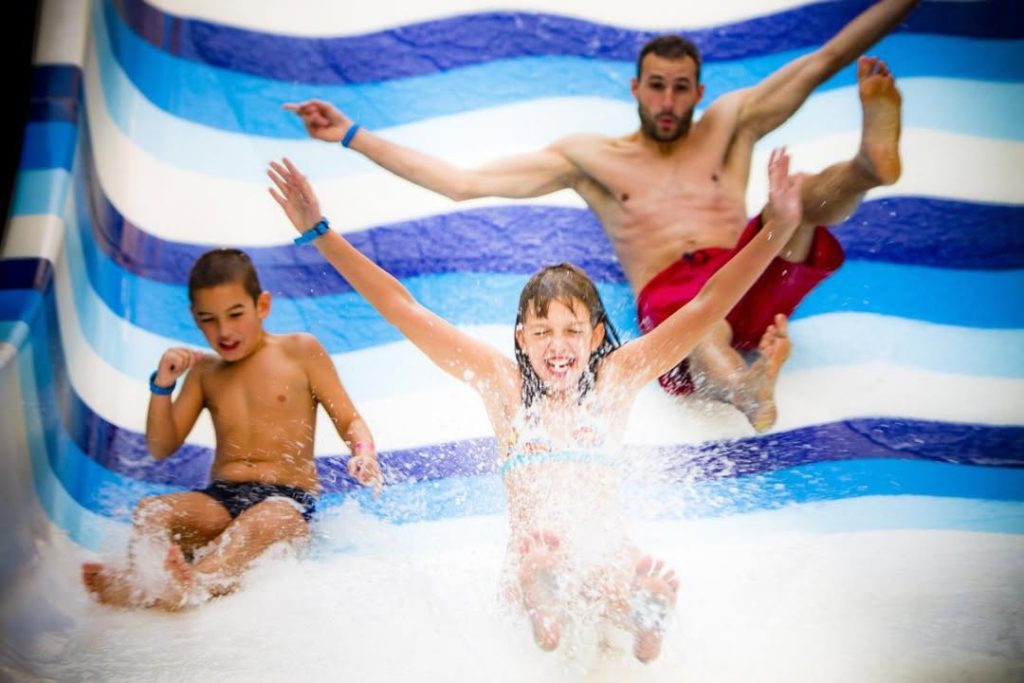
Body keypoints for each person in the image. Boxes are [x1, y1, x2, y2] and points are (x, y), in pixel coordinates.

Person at [267, 147, 803, 662]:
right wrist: (320, 232)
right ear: (521, 339)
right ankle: (547, 600)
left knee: (611, 568)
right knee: (539, 559)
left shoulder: (615, 379)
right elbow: (403, 308)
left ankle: (641, 620)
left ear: (596, 337)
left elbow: (707, 303)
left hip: (605, 560)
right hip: (531, 562)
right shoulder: (502, 386)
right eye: (542, 331)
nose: (557, 345)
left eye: (572, 330)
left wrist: (777, 229)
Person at [284, 0, 914, 431]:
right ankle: (744, 389)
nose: (668, 100)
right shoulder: (593, 160)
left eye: (681, 88)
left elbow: (828, 57)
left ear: (699, 91)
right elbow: (461, 183)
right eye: (656, 85)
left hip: (746, 271)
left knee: (798, 202)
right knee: (698, 327)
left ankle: (868, 167)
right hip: (676, 296)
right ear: (635, 88)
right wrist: (352, 135)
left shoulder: (731, 124)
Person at [81, 248, 382, 610]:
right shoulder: (205, 372)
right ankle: (143, 582)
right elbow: (162, 446)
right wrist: (163, 386)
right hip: (221, 500)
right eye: (209, 319)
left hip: (286, 502)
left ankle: (196, 581)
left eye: (235, 314)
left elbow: (349, 419)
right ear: (194, 318)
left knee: (260, 523)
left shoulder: (300, 351)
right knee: (152, 511)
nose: (224, 331)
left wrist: (363, 452)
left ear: (262, 306)